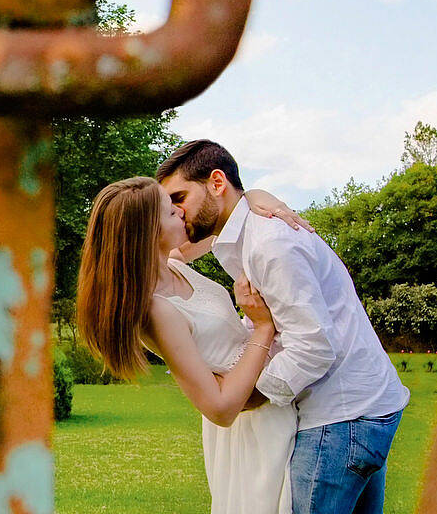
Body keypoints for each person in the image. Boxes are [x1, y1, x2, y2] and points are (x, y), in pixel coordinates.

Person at [157, 139, 410, 514]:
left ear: (216, 183)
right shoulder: (238, 235)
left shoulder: (268, 242)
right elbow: (169, 251)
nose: (177, 213)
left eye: (179, 198)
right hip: (364, 405)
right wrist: (257, 193)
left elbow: (313, 345)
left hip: (339, 418)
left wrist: (247, 397)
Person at [76, 176, 307, 514]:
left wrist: (257, 195)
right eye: (171, 212)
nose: (181, 213)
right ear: (147, 232)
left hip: (275, 403)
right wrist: (262, 326)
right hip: (253, 430)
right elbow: (220, 408)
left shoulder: (173, 263)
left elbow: (226, 216)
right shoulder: (157, 311)